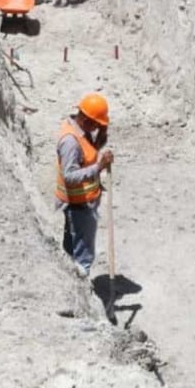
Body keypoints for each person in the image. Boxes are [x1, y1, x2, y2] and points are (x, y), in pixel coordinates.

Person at [55, 93, 113, 277]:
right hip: (78, 206)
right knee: (82, 257)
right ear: (87, 120)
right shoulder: (71, 142)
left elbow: (84, 156)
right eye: (97, 124)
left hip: (81, 203)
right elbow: (70, 176)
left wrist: (98, 141)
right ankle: (83, 294)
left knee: (71, 250)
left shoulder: (81, 130)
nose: (97, 128)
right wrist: (99, 167)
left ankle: (70, 283)